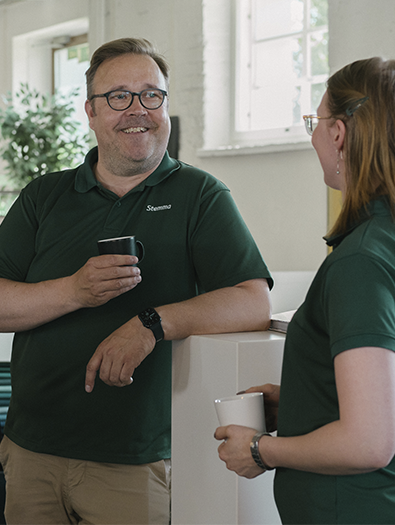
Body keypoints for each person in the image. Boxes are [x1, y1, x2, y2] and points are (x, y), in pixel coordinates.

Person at [0, 37, 272, 524]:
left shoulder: (200, 195)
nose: (138, 109)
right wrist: (74, 290)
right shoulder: (45, 196)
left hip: (135, 459)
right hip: (31, 452)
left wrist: (150, 324)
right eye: (119, 96)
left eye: (151, 95)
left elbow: (252, 301)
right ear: (90, 111)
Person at [215, 57, 395, 524]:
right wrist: (302, 400)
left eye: (315, 123)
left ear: (338, 134)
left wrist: (261, 449)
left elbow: (369, 442)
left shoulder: (360, 261)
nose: (313, 137)